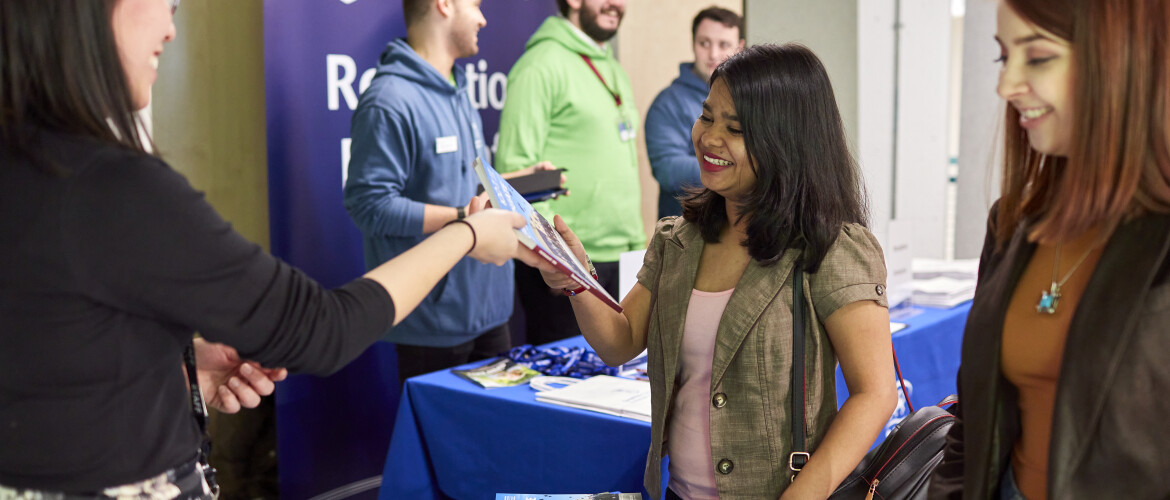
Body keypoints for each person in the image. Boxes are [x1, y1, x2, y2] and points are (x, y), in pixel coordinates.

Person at [0, 0, 548, 496]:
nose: (170, 27)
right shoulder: (117, 187)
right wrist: (467, 232)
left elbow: (59, 353)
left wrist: (181, 365)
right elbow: (322, 328)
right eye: (163, 3)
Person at [541, 44, 897, 499]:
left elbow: (876, 393)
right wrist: (576, 277)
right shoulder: (680, 238)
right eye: (707, 117)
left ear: (786, 142)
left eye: (735, 129)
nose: (709, 139)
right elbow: (620, 340)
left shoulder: (830, 248)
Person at [929, 1, 1170, 498]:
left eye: (1037, 58)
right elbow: (975, 420)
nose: (1005, 85)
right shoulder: (1013, 225)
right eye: (1003, 57)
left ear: (1123, 61)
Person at [344, 0, 557, 381]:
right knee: (444, 439)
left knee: (490, 436)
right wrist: (467, 222)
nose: (482, 18)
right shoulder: (388, 100)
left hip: (490, 310)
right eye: (474, 5)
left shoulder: (456, 88)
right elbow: (369, 206)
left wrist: (520, 180)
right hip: (433, 320)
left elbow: (461, 184)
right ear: (444, 4)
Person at [496, 0, 645, 346]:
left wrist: (637, 248)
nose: (617, 4)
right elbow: (514, 176)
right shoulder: (539, 64)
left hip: (620, 258)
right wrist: (557, 258)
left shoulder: (612, 67)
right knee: (565, 392)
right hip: (566, 265)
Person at [646, 6, 744, 218]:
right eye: (704, 43)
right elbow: (667, 168)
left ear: (740, 47)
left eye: (724, 44)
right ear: (693, 44)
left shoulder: (749, 100)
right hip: (688, 229)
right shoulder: (667, 103)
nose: (713, 54)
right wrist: (739, 168)